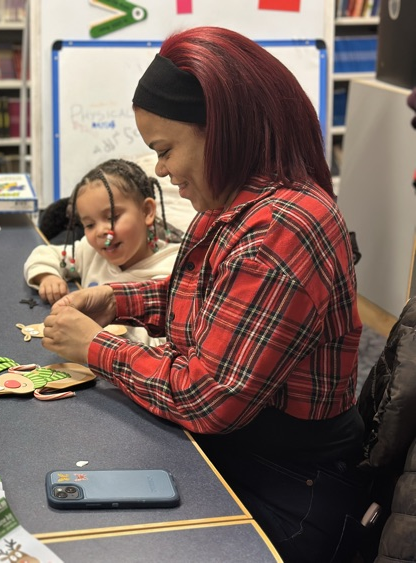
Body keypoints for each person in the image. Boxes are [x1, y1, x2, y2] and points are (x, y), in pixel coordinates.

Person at [41, 26, 369, 563]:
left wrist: (95, 347)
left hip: (290, 490)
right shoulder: (235, 206)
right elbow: (209, 295)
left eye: (166, 150)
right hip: (246, 453)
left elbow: (208, 398)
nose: (162, 170)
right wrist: (117, 301)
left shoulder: (281, 230)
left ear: (223, 129)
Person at [24, 158, 182, 345]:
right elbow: (46, 254)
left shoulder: (175, 267)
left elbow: (163, 343)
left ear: (147, 211)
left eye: (112, 217)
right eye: (90, 224)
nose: (100, 232)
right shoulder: (91, 252)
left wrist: (98, 330)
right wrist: (48, 277)